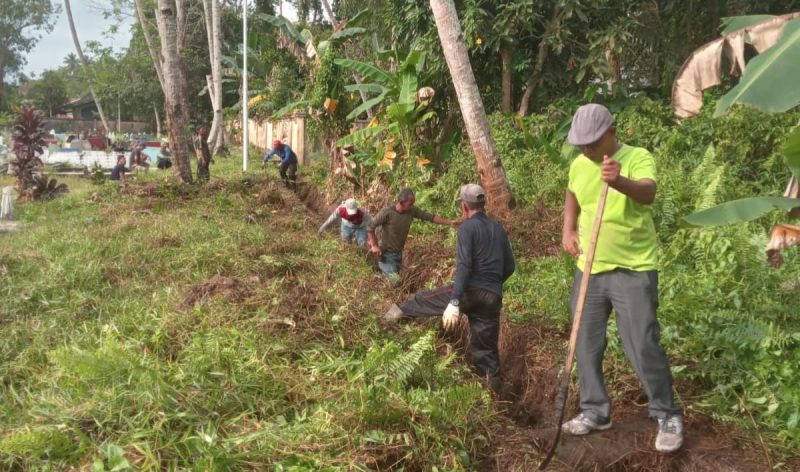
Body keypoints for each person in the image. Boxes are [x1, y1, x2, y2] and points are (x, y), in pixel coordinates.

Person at [560, 103, 683, 453]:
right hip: (590, 269)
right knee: (585, 343)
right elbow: (572, 195)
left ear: (611, 133)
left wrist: (620, 182)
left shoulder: (636, 157)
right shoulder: (579, 165)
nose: (586, 150)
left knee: (642, 343)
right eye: (581, 144)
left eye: (592, 143)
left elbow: (648, 192)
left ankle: (667, 414)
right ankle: (595, 411)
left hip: (633, 269)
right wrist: (568, 229)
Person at [382, 184, 515, 387]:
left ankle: (387, 322)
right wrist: (491, 286)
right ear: (483, 204)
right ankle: (493, 396)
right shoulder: (498, 228)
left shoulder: (467, 228)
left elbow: (464, 265)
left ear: (464, 206)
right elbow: (510, 266)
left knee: (424, 299)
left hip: (469, 291)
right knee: (486, 351)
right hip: (493, 296)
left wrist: (454, 301)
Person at [367, 188, 458, 286]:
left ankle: (384, 281)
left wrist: (449, 222)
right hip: (386, 254)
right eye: (410, 204)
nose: (412, 206)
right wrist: (374, 245)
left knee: (395, 280)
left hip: (398, 253)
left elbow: (430, 217)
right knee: (395, 282)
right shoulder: (387, 213)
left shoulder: (412, 211)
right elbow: (370, 227)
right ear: (401, 202)